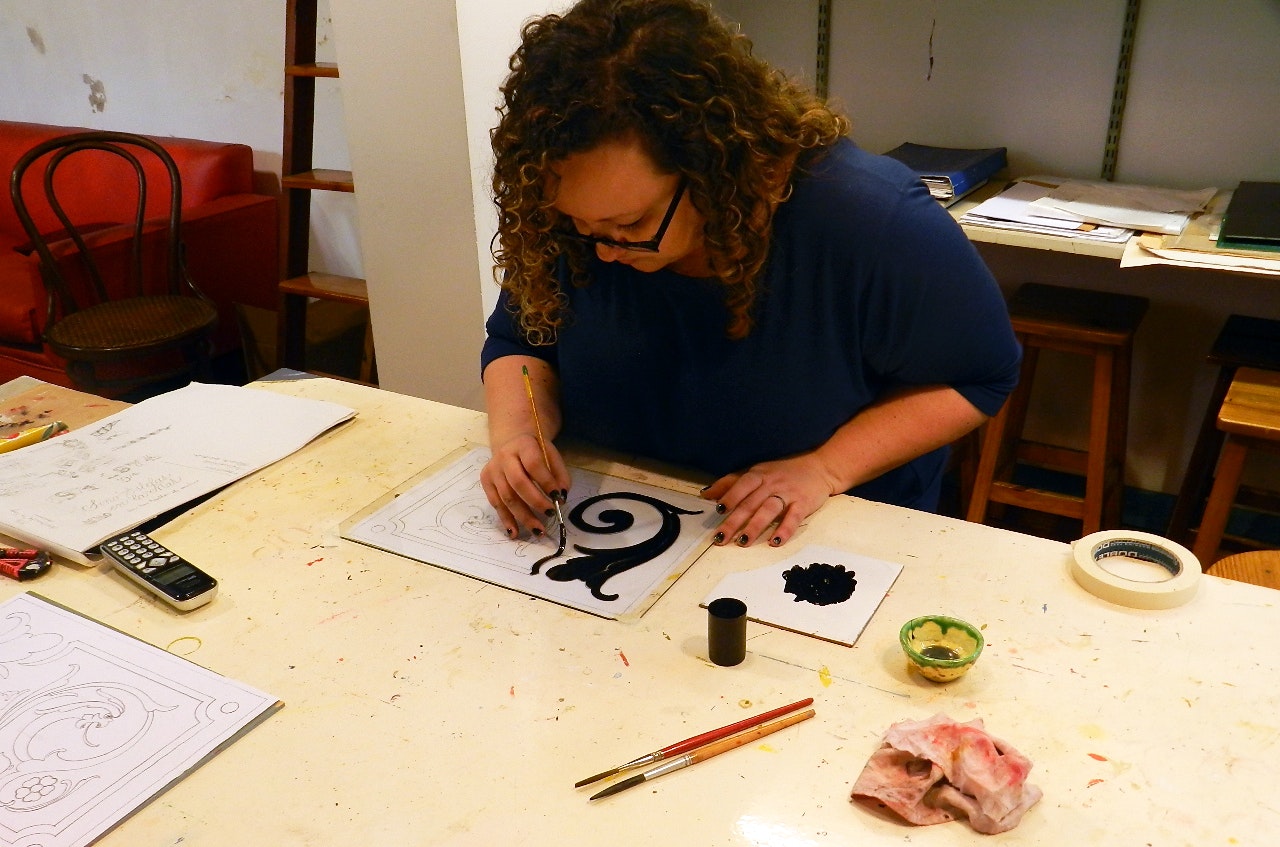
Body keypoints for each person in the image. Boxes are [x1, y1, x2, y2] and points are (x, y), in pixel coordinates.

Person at [478, 0, 1020, 548]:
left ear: (716, 167)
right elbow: (520, 343)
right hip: (620, 517)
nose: (602, 253)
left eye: (629, 224)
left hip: (819, 537)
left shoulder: (867, 218)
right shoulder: (575, 221)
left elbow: (978, 376)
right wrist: (519, 434)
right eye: (576, 224)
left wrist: (825, 468)